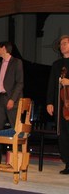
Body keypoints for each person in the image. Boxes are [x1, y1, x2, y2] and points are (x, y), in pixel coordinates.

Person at [46, 35, 69, 174]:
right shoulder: (56, 65)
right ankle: (68, 163)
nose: (62, 46)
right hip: (61, 105)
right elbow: (51, 85)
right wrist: (49, 102)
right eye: (61, 44)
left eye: (65, 43)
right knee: (63, 135)